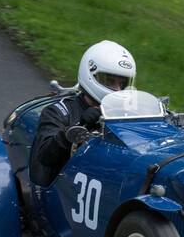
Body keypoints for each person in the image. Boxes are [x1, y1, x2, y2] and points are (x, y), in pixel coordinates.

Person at [29, 40, 137, 186]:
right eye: (110, 81)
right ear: (91, 74)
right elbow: (45, 156)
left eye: (122, 83)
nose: (118, 89)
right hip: (67, 187)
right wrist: (80, 126)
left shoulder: (127, 114)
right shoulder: (59, 112)